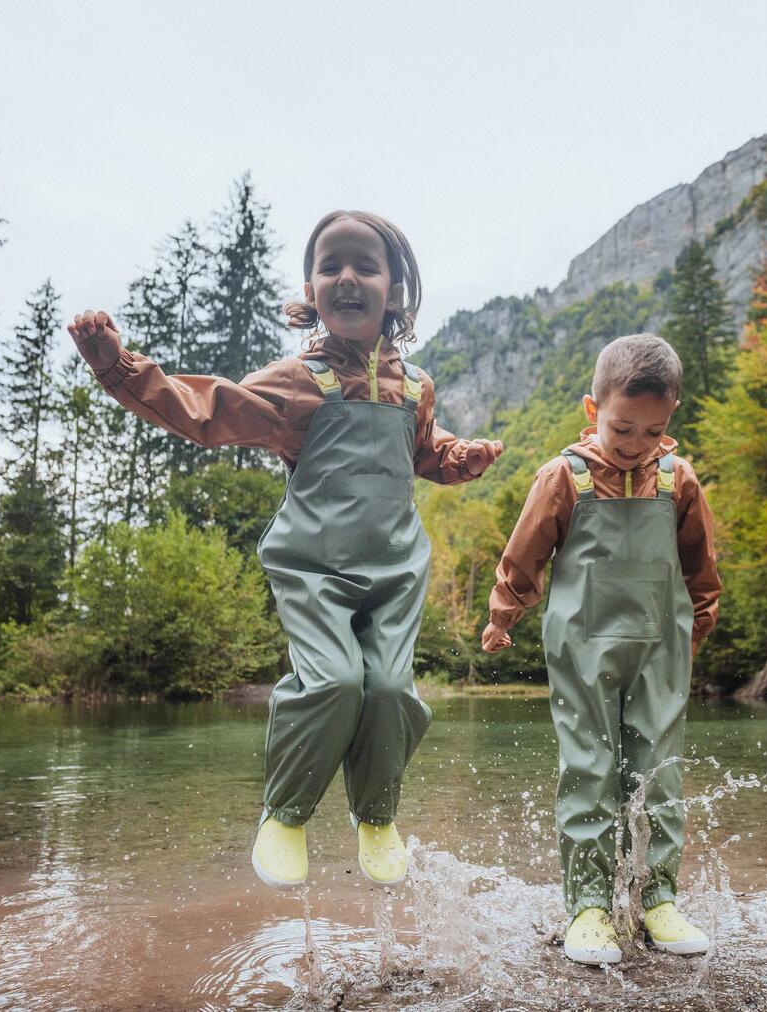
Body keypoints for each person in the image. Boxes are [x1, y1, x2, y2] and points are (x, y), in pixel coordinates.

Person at [69, 210, 503, 889]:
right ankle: (287, 812)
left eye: (366, 265)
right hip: (314, 567)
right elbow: (203, 409)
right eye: (331, 266)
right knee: (333, 682)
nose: (348, 277)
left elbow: (422, 449)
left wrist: (460, 458)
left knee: (388, 687)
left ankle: (378, 815)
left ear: (395, 289)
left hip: (395, 568)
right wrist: (120, 369)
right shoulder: (298, 380)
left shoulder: (416, 386)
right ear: (312, 287)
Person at [481, 333, 720, 964]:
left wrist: (701, 621)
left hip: (660, 646)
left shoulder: (678, 480)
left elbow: (700, 566)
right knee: (590, 768)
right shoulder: (566, 477)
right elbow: (524, 555)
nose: (638, 444)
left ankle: (658, 899)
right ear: (594, 411)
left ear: (669, 420)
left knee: (659, 770)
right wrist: (503, 614)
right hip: (583, 645)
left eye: (653, 430)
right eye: (623, 429)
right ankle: (588, 906)